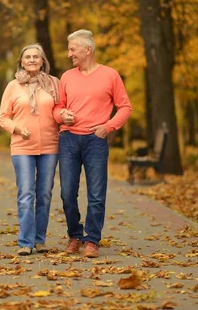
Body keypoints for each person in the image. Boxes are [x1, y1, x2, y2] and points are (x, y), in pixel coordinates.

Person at [53, 29, 132, 258]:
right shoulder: (67, 77)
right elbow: (58, 108)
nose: (69, 54)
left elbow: (125, 107)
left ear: (88, 50)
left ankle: (92, 240)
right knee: (67, 193)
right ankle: (75, 235)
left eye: (72, 49)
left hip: (95, 141)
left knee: (96, 194)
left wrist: (107, 127)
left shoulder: (110, 75)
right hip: (68, 139)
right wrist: (62, 116)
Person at [0, 43, 60, 256]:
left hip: (50, 146)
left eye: (36, 56)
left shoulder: (54, 84)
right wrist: (17, 128)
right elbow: (3, 117)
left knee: (44, 194)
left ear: (43, 61)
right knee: (26, 193)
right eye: (28, 57)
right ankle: (25, 242)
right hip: (22, 146)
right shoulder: (13, 86)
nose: (32, 60)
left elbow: (60, 109)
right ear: (22, 62)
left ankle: (39, 240)